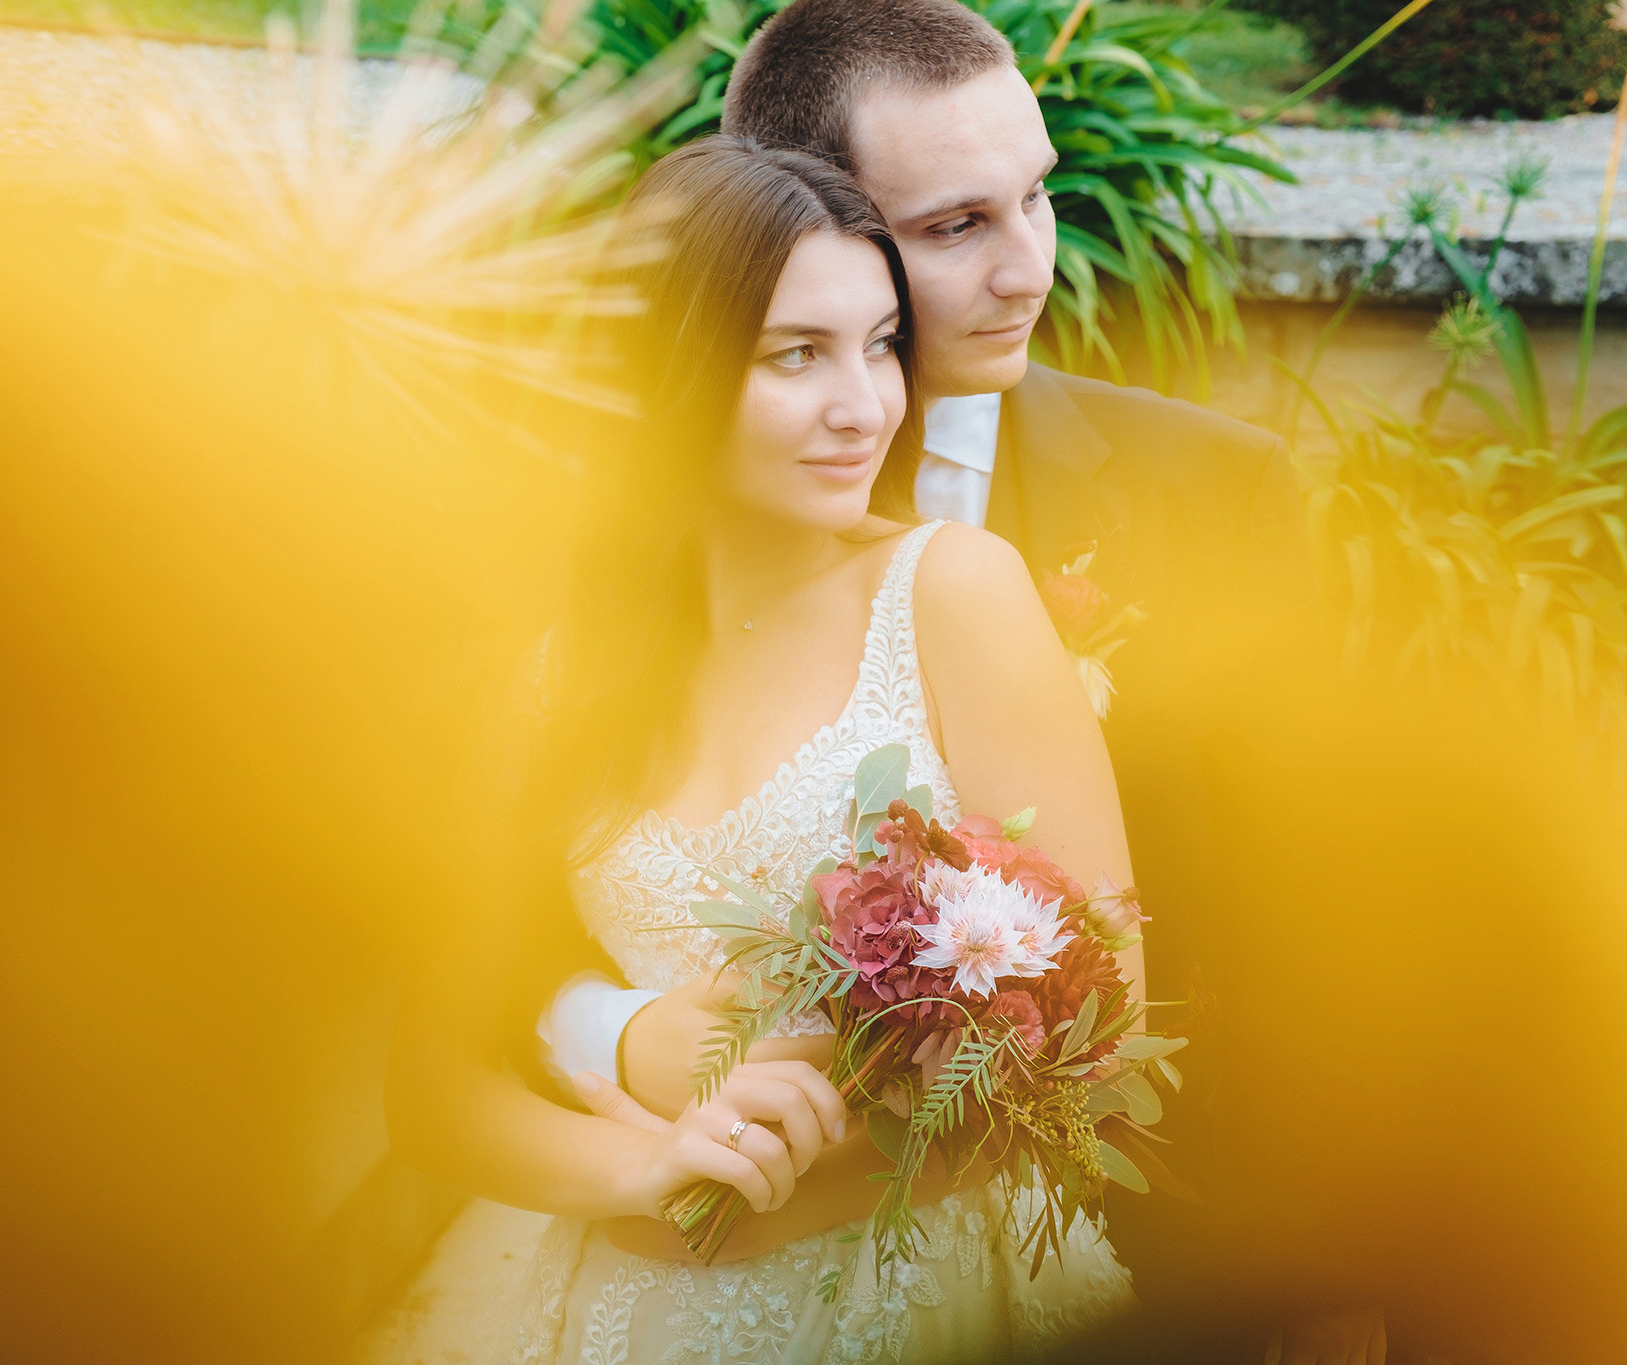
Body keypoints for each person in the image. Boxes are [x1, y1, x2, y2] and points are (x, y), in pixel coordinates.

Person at [386, 137, 1144, 1362]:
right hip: (637, 1310)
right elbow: (431, 1093)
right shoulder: (555, 674)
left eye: (880, 345)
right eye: (795, 355)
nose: (863, 405)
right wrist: (645, 1172)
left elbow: (1096, 1027)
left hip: (930, 1296)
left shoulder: (952, 592)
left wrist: (753, 1211)